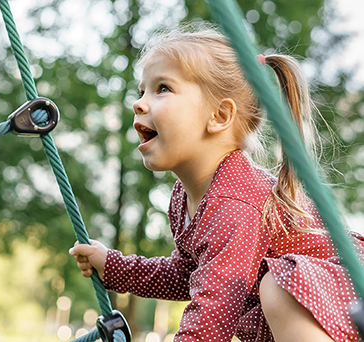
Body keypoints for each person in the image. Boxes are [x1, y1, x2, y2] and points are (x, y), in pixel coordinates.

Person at [69, 24, 364, 342]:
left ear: (220, 116)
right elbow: (189, 277)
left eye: (162, 88)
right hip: (322, 312)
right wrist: (116, 267)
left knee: (278, 287)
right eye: (141, 91)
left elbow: (211, 319)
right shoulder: (186, 197)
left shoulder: (234, 201)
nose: (139, 103)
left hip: (351, 292)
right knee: (274, 291)